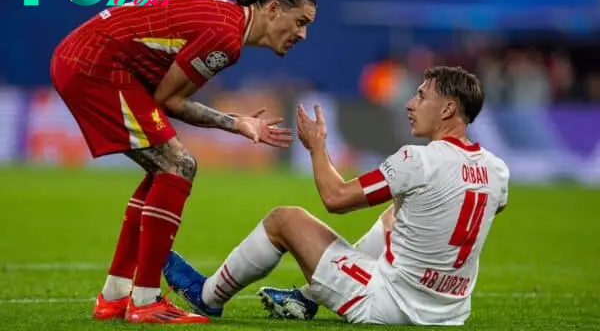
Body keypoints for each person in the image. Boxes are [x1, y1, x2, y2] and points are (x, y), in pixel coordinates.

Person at [50, 0, 317, 324]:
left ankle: (116, 295)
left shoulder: (224, 18)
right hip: (95, 66)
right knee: (179, 164)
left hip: (88, 59)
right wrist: (236, 123)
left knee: (165, 168)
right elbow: (170, 100)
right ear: (271, 8)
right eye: (299, 21)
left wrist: (236, 122)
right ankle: (145, 300)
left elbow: (164, 94)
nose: (303, 34)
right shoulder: (225, 37)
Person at [162, 66, 510, 325]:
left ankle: (208, 296)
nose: (409, 104)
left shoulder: (417, 160)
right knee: (397, 211)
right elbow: (482, 209)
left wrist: (316, 147)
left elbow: (336, 198)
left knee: (286, 219)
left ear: (448, 109)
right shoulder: (496, 170)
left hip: (391, 305)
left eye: (421, 95)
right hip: (449, 312)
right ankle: (306, 297)